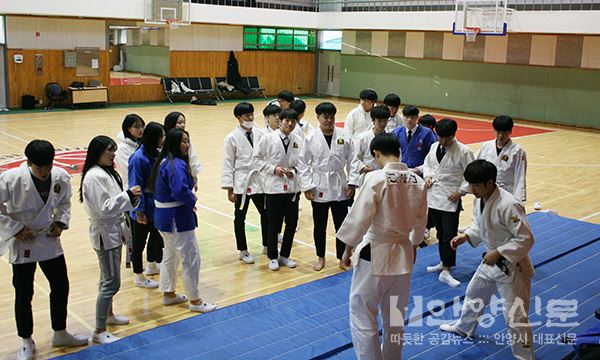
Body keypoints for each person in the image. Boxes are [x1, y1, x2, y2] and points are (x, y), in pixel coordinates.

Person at [337, 133, 428, 360]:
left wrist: (348, 248)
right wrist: (415, 244)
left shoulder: (376, 178)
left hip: (376, 252)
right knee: (395, 318)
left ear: (376, 153)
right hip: (404, 253)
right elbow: (421, 220)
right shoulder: (418, 181)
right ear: (399, 151)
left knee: (362, 313)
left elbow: (360, 217)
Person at [0, 140, 88, 360]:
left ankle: (60, 331)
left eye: (48, 166)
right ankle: (25, 339)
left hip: (48, 239)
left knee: (60, 286)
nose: (45, 171)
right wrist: (16, 228)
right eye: (40, 168)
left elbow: (65, 204)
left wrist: (59, 223)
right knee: (24, 293)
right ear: (29, 163)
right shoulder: (11, 179)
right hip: (24, 242)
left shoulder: (59, 176)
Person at [440, 159, 535, 360]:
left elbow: (526, 238)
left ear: (490, 183)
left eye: (475, 185)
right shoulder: (479, 198)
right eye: (470, 185)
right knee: (473, 294)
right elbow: (481, 224)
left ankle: (525, 356)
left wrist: (499, 251)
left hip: (512, 266)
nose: (471, 189)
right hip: (490, 261)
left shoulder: (509, 204)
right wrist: (467, 236)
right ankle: (464, 328)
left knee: (515, 317)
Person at [80, 136, 141, 344]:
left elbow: (118, 202)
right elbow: (104, 208)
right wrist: (127, 195)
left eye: (114, 150)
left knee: (107, 277)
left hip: (114, 229)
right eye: (109, 151)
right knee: (111, 282)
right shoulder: (95, 176)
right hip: (105, 232)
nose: (113, 154)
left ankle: (108, 314)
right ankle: (99, 329)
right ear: (98, 152)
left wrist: (130, 198)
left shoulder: (107, 173)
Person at [148, 128, 217, 313]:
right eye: (183, 141)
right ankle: (195, 301)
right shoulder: (176, 164)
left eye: (188, 141)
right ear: (174, 143)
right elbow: (179, 190)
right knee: (191, 258)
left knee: (170, 256)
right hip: (176, 219)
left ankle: (168, 293)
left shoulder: (165, 161)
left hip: (164, 218)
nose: (186, 145)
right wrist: (191, 199)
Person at [298, 102, 360, 271]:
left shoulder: (345, 136)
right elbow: (302, 163)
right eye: (325, 117)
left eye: (331, 117)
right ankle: (321, 257)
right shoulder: (311, 138)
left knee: (342, 225)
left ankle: (343, 257)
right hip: (319, 186)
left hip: (340, 185)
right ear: (318, 118)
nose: (329, 120)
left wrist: (352, 183)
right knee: (320, 225)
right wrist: (307, 186)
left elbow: (353, 161)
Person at [423, 119, 474, 287]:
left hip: (450, 197)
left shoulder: (464, 151)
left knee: (449, 235)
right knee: (439, 232)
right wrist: (428, 176)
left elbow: (471, 175)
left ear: (454, 135)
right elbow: (428, 165)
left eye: (447, 138)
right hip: (434, 195)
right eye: (440, 137)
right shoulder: (434, 147)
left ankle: (447, 269)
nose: (443, 141)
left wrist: (460, 191)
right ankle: (442, 262)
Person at [253, 108, 302, 271]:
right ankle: (273, 256)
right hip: (273, 187)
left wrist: (294, 171)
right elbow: (256, 160)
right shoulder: (268, 139)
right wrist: (273, 169)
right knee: (273, 223)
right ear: (280, 121)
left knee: (292, 222)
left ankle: (285, 255)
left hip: (292, 187)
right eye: (287, 120)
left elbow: (303, 162)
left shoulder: (298, 139)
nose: (290, 124)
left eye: (293, 121)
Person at [221, 102, 268, 264]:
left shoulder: (261, 134)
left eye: (251, 114)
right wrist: (229, 188)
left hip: (259, 180)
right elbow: (227, 164)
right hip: (241, 181)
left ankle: (267, 244)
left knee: (266, 214)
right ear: (238, 118)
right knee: (240, 217)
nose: (250, 118)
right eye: (246, 115)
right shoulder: (231, 138)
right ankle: (243, 250)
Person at [128, 122, 165, 288]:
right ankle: (138, 275)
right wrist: (139, 211)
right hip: (143, 207)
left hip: (156, 205)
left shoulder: (156, 154)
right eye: (161, 136)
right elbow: (135, 186)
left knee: (156, 237)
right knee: (139, 243)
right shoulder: (138, 158)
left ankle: (151, 265)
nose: (163, 139)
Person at [115, 114, 145, 268]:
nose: (140, 130)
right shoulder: (122, 149)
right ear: (128, 129)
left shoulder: (141, 143)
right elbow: (130, 171)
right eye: (136, 127)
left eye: (141, 126)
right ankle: (136, 264)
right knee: (137, 233)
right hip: (132, 193)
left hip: (145, 191)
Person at [475, 115, 527, 202]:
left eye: (504, 132)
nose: (501, 136)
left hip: (507, 192)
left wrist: (519, 199)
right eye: (498, 132)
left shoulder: (517, 151)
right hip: (487, 190)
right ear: (493, 131)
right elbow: (475, 166)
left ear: (510, 131)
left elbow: (520, 176)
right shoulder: (486, 146)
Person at [354, 105, 395, 187]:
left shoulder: (391, 138)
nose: (383, 124)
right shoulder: (362, 138)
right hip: (368, 176)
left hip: (385, 177)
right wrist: (363, 167)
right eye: (379, 121)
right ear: (373, 120)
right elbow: (354, 158)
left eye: (385, 121)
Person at [392, 105, 437, 171]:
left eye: (412, 117)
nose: (409, 120)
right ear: (403, 117)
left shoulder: (427, 133)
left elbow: (433, 154)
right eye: (407, 117)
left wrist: (421, 169)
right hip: (400, 170)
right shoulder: (396, 132)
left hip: (420, 171)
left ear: (417, 118)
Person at [163, 111, 203, 181]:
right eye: (179, 123)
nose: (183, 125)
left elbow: (192, 157)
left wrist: (194, 177)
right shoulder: (164, 139)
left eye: (184, 122)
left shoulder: (186, 138)